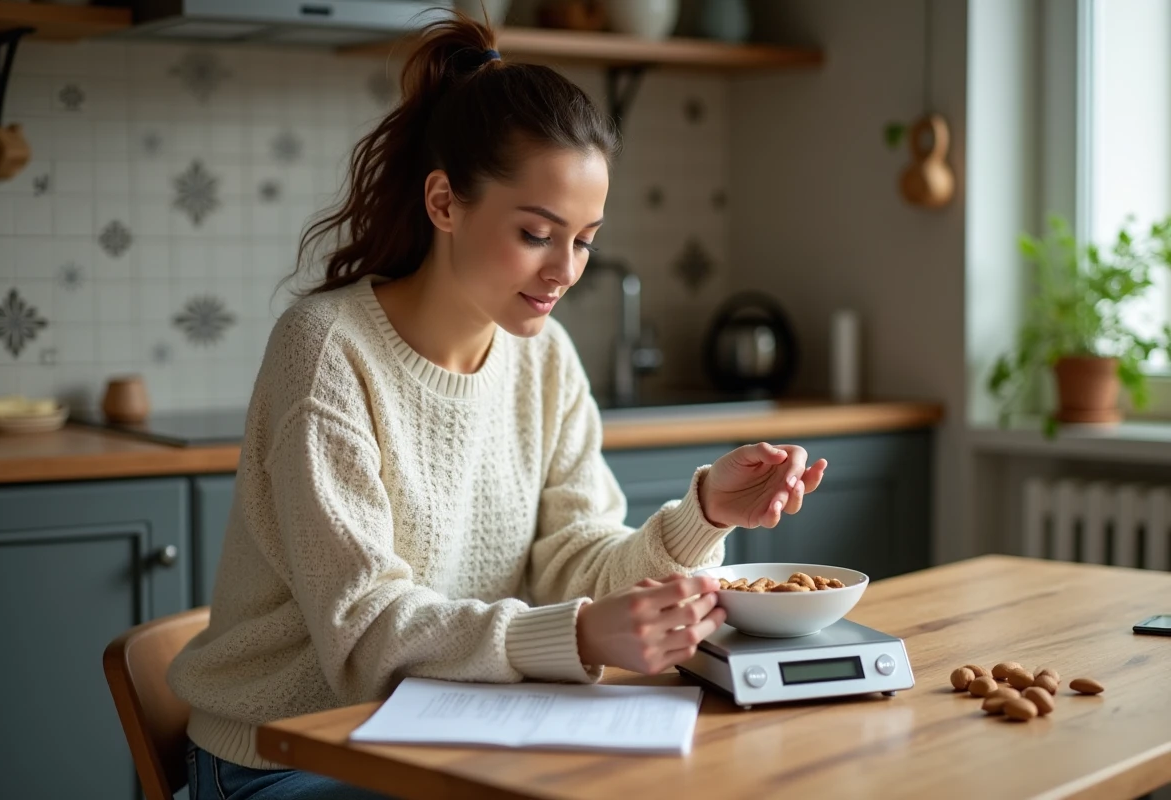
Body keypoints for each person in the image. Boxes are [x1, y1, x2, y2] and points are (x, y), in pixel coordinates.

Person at [167, 13, 826, 800]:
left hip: (457, 732)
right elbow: (367, 631)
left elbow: (574, 557)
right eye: (536, 233)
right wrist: (580, 632)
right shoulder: (325, 351)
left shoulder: (543, 356)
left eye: (583, 239)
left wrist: (704, 516)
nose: (564, 270)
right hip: (287, 758)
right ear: (445, 203)